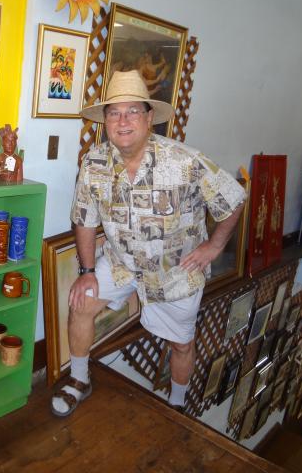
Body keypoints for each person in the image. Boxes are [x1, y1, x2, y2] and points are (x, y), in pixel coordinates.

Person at [51, 70, 246, 417]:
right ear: (105, 121)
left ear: (149, 117)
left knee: (181, 343)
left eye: (133, 111)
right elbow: (84, 218)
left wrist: (214, 246)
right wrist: (87, 271)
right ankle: (80, 380)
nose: (123, 121)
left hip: (175, 271)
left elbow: (233, 199)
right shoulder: (94, 163)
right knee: (81, 303)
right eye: (114, 112)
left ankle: (177, 404)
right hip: (121, 262)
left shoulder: (185, 161)